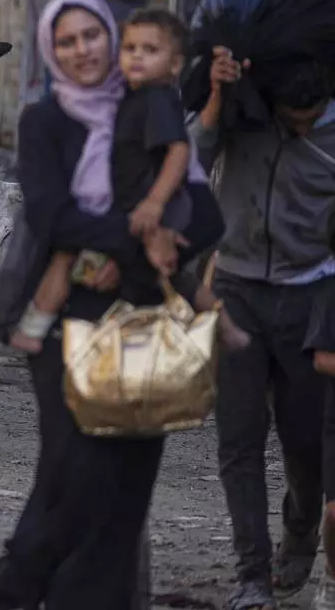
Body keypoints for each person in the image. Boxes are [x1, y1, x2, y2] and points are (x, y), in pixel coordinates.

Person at [0, 0, 226, 609]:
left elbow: (206, 215)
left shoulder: (147, 106)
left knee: (131, 473)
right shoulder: (45, 121)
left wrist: (146, 247)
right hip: (66, 317)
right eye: (66, 41)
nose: (82, 50)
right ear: (51, 50)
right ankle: (16, 589)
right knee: (74, 469)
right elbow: (53, 216)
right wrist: (139, 240)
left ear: (111, 39)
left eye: (91, 36)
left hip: (141, 314)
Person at [10, 6, 241, 353]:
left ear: (174, 64)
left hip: (147, 209)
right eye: (130, 49)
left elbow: (179, 152)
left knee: (158, 274)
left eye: (150, 51)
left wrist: (153, 208)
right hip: (126, 210)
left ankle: (34, 328)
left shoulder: (156, 99)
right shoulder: (114, 101)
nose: (137, 58)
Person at [194, 47, 335, 610]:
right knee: (239, 439)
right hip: (237, 292)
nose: (298, 129)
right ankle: (251, 574)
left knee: (305, 442)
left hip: (312, 298)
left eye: (310, 120)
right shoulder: (241, 117)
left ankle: (299, 534)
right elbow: (191, 160)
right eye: (289, 120)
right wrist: (217, 95)